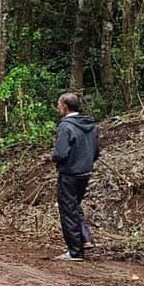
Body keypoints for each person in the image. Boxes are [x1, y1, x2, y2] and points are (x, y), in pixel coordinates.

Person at [45, 93, 99, 262]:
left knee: (68, 209)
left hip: (69, 173)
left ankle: (75, 251)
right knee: (74, 205)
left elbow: (61, 152)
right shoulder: (90, 124)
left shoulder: (65, 126)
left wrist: (50, 157)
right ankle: (84, 239)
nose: (58, 107)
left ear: (65, 107)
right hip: (85, 172)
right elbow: (96, 151)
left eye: (59, 104)